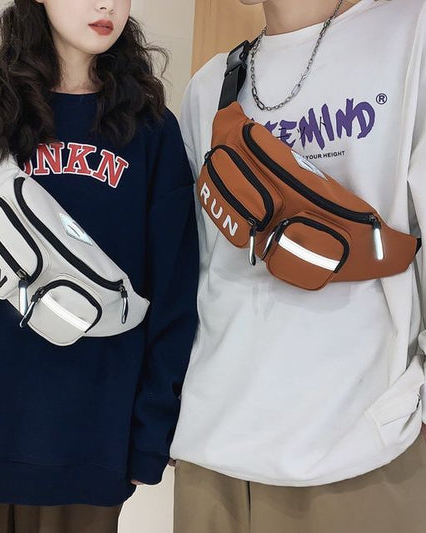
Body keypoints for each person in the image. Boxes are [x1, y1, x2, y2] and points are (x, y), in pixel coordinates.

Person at [0, 0, 199, 531]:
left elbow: (172, 290)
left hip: (86, 434)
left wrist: (152, 427)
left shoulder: (150, 130)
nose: (107, 4)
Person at [171, 0, 426, 531]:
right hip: (210, 453)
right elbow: (196, 269)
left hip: (361, 452)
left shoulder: (411, 35)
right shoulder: (210, 85)